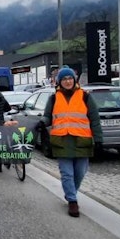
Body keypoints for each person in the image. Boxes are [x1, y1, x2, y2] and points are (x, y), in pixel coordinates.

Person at [42, 67, 103, 218]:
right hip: (62, 140)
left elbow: (95, 119)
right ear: (59, 82)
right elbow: (47, 116)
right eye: (64, 79)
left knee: (80, 173)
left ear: (74, 80)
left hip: (82, 140)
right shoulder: (54, 98)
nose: (67, 81)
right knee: (67, 173)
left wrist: (99, 139)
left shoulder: (85, 97)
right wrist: (42, 123)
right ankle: (72, 201)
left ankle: (71, 193)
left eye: (70, 78)